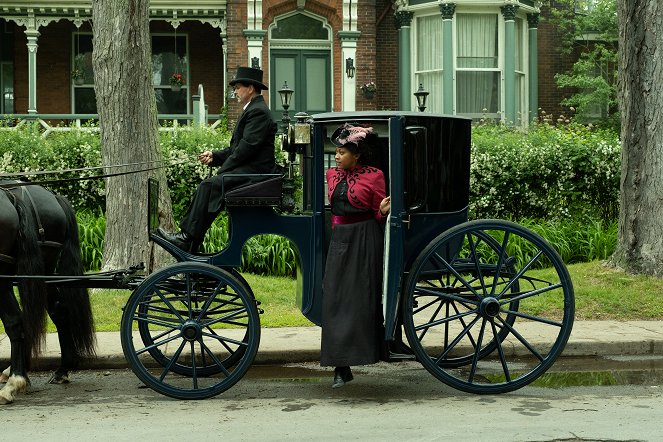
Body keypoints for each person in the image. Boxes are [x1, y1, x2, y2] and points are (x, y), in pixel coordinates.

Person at [158, 66, 279, 252]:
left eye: (238, 87)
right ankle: (190, 240)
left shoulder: (258, 112)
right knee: (209, 185)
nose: (235, 92)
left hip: (256, 174)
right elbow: (235, 149)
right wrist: (215, 156)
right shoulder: (253, 110)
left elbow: (247, 149)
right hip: (250, 171)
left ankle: (187, 239)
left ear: (251, 88)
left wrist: (222, 171)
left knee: (209, 185)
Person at [321, 123, 391, 388]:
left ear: (357, 154)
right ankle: (340, 364)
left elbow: (376, 212)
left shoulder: (375, 176)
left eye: (341, 152)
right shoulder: (331, 174)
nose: (337, 156)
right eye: (336, 152)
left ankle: (354, 361)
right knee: (335, 299)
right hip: (340, 239)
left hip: (365, 239)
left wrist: (382, 211)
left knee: (361, 300)